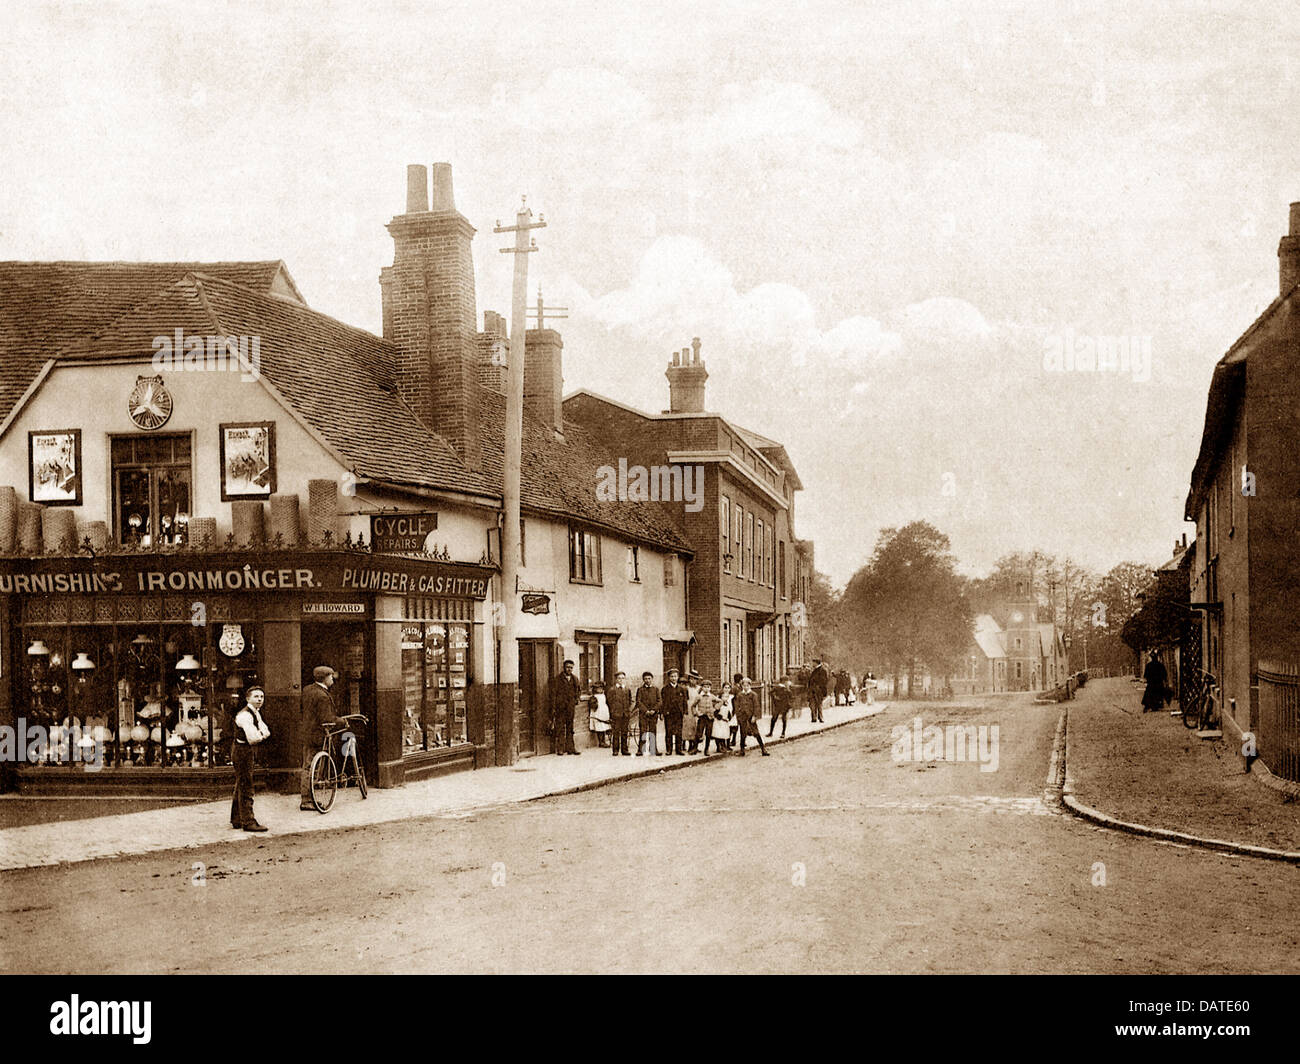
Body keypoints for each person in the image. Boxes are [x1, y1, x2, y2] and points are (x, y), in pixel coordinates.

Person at [301, 665, 345, 811]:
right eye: (331, 676)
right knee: (312, 768)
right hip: (318, 735)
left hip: (308, 733)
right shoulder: (322, 696)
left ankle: (307, 798)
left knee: (307, 766)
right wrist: (342, 721)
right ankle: (307, 800)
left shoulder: (308, 690)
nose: (332, 679)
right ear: (325, 678)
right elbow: (327, 719)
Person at [231, 686, 271, 831]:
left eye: (262, 696)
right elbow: (254, 738)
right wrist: (261, 735)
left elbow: (266, 730)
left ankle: (236, 819)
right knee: (246, 785)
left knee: (241, 782)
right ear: (248, 699)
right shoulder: (245, 715)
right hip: (242, 750)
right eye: (256, 696)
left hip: (245, 750)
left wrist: (261, 733)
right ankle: (248, 822)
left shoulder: (255, 713)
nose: (260, 699)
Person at [551, 659, 582, 754]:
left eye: (571, 668)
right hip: (560, 708)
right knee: (560, 728)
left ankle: (571, 748)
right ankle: (560, 748)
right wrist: (555, 706)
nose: (569, 669)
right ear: (564, 667)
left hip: (570, 707)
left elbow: (578, 690)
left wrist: (576, 699)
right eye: (568, 667)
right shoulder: (558, 679)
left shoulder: (575, 679)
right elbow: (553, 694)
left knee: (570, 728)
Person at [734, 677, 769, 756]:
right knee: (743, 733)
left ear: (750, 686)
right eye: (744, 685)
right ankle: (742, 750)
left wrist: (754, 716)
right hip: (743, 717)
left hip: (751, 716)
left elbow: (756, 706)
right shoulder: (740, 695)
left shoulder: (753, 695)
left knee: (756, 733)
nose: (745, 687)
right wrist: (738, 716)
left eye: (747, 686)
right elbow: (737, 706)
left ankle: (763, 749)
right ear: (742, 686)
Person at [660, 668, 688, 755]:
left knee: (679, 732)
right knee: (669, 732)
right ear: (669, 678)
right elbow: (662, 702)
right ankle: (669, 749)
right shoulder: (665, 689)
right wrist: (661, 713)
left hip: (679, 713)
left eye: (675, 676)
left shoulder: (682, 689)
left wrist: (685, 711)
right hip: (669, 714)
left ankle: (678, 749)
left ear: (678, 677)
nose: (673, 678)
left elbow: (684, 701)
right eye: (672, 676)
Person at [607, 671, 633, 756]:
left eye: (622, 678)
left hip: (625, 714)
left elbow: (629, 700)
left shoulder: (627, 689)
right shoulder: (612, 690)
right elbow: (609, 702)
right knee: (616, 732)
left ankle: (624, 750)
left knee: (625, 732)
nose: (621, 680)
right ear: (616, 679)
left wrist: (627, 710)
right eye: (619, 678)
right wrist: (613, 712)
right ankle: (615, 750)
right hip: (616, 715)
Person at [634, 671, 661, 755]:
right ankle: (641, 750)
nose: (647, 680)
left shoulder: (656, 689)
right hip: (643, 714)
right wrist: (646, 711)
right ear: (643, 680)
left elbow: (659, 701)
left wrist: (654, 710)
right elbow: (638, 702)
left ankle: (653, 749)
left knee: (653, 731)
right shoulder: (640, 690)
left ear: (652, 679)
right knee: (643, 731)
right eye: (645, 679)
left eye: (649, 678)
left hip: (653, 714)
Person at [707, 681, 730, 754]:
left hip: (724, 722)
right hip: (719, 722)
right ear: (720, 697)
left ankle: (723, 746)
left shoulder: (727, 704)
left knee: (723, 734)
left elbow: (728, 712)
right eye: (724, 697)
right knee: (718, 735)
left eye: (726, 697)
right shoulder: (719, 704)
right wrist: (719, 717)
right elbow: (715, 712)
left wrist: (729, 717)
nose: (725, 698)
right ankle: (718, 747)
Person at [588, 681, 611, 747]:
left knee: (603, 727)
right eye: (598, 689)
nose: (600, 690)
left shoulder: (603, 695)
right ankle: (601, 742)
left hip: (603, 712)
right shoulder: (594, 697)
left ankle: (603, 741)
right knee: (599, 727)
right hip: (598, 712)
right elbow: (593, 705)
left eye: (601, 688)